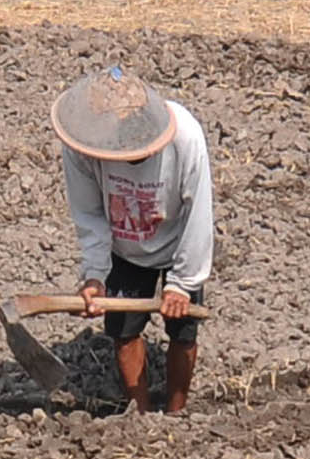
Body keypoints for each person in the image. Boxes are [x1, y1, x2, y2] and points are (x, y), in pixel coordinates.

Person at [53, 67, 214, 417]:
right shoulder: (83, 146)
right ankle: (138, 414)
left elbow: (198, 213)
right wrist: (95, 276)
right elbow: (90, 213)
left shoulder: (185, 137)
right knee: (124, 333)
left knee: (184, 334)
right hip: (124, 247)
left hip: (175, 242)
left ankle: (176, 413)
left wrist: (183, 284)